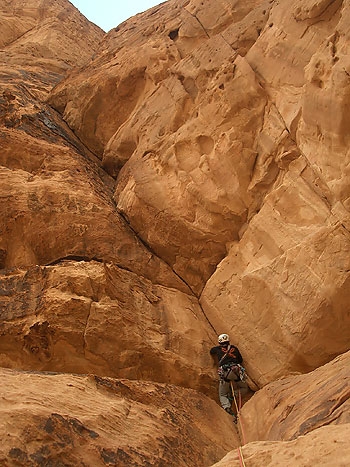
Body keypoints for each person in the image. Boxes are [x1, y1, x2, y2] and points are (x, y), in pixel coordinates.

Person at [210, 333, 245, 421]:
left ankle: (227, 407)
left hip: (225, 373)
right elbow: (240, 360)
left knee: (222, 394)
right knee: (244, 387)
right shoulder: (234, 348)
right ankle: (234, 395)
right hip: (236, 371)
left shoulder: (217, 349)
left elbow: (211, 351)